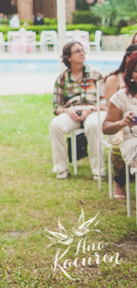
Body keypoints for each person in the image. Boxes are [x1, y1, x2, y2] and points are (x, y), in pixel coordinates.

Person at [49, 41, 104, 179]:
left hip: (92, 110)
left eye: (82, 50)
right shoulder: (62, 79)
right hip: (71, 112)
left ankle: (98, 171)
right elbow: (56, 107)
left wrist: (90, 109)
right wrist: (68, 111)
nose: (82, 53)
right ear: (68, 57)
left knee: (93, 125)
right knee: (55, 125)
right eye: (77, 51)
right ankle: (61, 169)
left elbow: (105, 102)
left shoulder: (96, 75)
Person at [101, 44, 137, 198]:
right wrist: (121, 123)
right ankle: (120, 182)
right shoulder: (122, 96)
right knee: (117, 141)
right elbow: (106, 127)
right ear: (130, 73)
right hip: (131, 140)